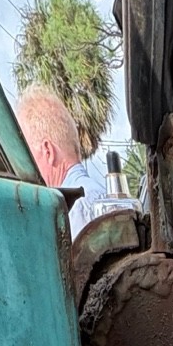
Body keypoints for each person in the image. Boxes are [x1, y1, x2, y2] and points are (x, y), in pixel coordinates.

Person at [15, 85, 107, 236]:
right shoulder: (102, 195)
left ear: (48, 151)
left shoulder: (73, 210)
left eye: (28, 155)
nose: (24, 166)